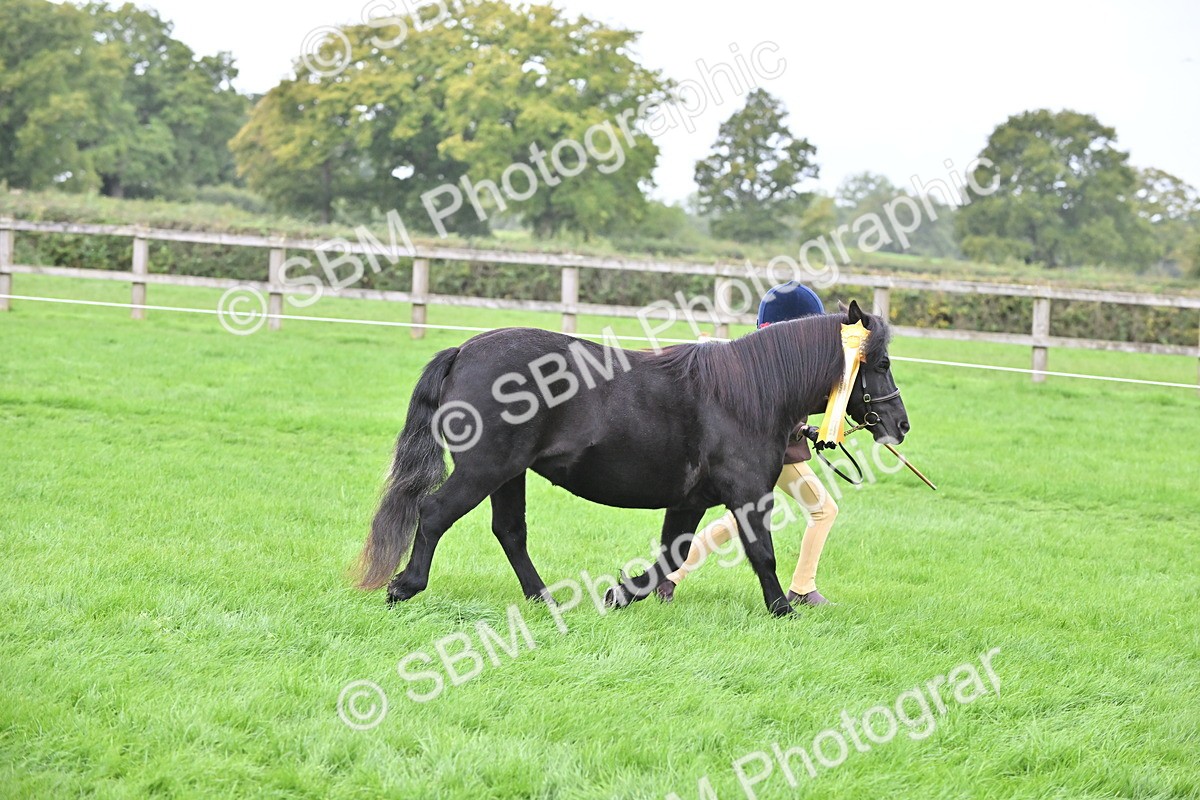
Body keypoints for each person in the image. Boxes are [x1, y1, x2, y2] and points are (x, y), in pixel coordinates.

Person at [657, 281, 838, 607]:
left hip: (770, 449)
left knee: (739, 519)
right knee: (823, 510)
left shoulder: (770, 358)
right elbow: (778, 413)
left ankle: (670, 576)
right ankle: (802, 587)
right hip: (773, 453)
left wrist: (808, 429)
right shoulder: (785, 363)